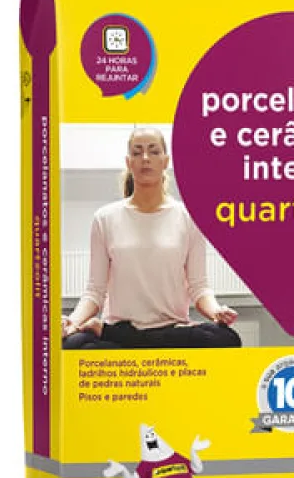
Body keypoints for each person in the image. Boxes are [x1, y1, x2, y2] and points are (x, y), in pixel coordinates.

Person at [62, 127, 242, 350]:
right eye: (137, 152)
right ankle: (120, 334)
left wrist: (216, 312)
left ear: (165, 161)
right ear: (129, 162)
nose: (145, 158)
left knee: (227, 339)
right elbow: (95, 291)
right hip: (123, 327)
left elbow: (199, 287)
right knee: (72, 344)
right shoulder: (105, 218)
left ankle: (119, 335)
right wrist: (73, 321)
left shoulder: (188, 217)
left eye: (153, 151)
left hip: (168, 328)